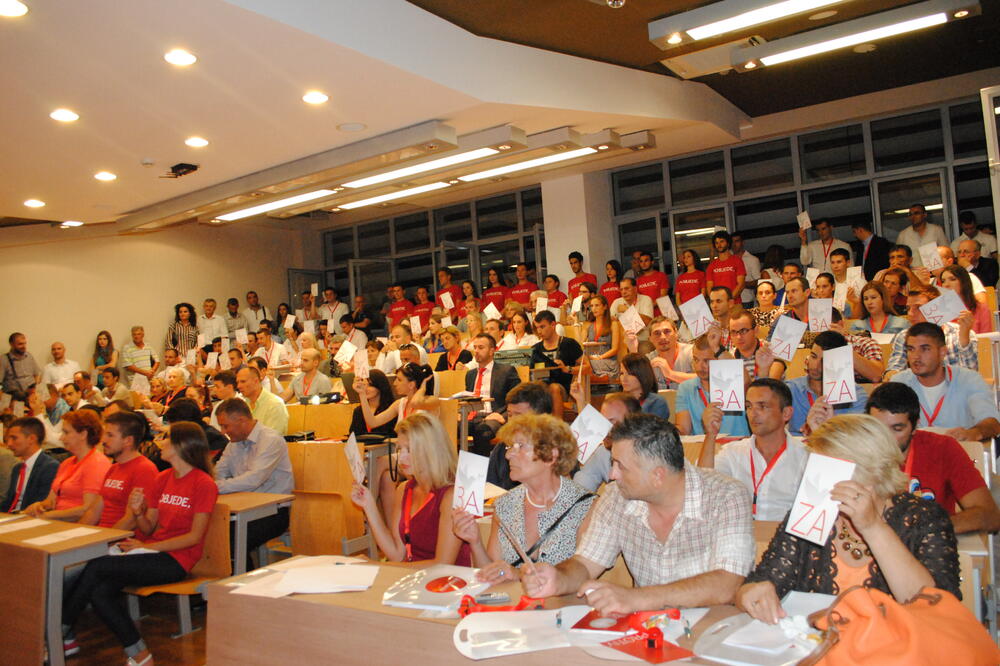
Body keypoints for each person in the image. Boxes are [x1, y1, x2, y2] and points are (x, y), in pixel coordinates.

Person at [737, 414, 960, 625]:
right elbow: (762, 580)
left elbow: (935, 608)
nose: (815, 479)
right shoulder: (811, 512)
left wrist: (873, 527)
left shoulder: (924, 519)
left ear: (871, 473)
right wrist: (750, 593)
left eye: (826, 469)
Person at [521, 414, 754, 614]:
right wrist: (558, 579)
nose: (612, 475)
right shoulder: (616, 496)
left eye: (620, 466)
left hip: (713, 626)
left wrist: (636, 598)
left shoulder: (726, 496)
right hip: (647, 630)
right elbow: (585, 563)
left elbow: (728, 583)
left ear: (658, 476)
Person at [62, 422, 218, 665]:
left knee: (96, 566)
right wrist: (138, 513)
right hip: (151, 551)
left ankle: (60, 629)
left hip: (177, 560)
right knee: (99, 592)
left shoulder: (203, 483)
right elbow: (149, 528)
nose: (160, 442)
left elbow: (194, 537)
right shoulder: (163, 478)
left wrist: (147, 547)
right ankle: (140, 655)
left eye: (166, 438)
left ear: (181, 445)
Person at [452, 414, 596, 581]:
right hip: (510, 598)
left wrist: (517, 575)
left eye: (520, 446)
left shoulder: (585, 506)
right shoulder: (505, 504)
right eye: (510, 446)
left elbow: (581, 577)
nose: (508, 455)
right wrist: (475, 541)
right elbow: (490, 575)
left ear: (551, 455)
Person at [865, 383, 1000, 534]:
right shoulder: (855, 449)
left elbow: (989, 516)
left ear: (915, 427)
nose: (885, 438)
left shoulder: (942, 448)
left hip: (926, 539)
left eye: (897, 429)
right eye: (877, 428)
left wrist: (926, 528)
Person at [351, 412, 471, 565]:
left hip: (446, 577)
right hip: (413, 574)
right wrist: (369, 506)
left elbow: (442, 564)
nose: (401, 457)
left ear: (431, 451)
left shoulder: (451, 495)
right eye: (400, 449)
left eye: (409, 450)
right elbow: (397, 554)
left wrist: (378, 565)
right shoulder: (404, 490)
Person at [699, 379, 808, 521]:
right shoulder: (734, 452)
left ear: (786, 413)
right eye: (749, 406)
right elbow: (703, 488)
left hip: (786, 532)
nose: (753, 414)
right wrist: (710, 435)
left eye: (762, 406)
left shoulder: (805, 455)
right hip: (742, 531)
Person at [214, 398, 293, 566]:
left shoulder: (271, 440)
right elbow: (218, 471)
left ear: (241, 420)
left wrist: (216, 487)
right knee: (212, 533)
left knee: (230, 541)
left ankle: (242, 579)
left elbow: (254, 479)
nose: (223, 431)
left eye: (225, 426)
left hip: (273, 512)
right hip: (241, 506)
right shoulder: (233, 444)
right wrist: (213, 483)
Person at [889, 322, 1000, 440]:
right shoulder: (899, 383)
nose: (916, 356)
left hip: (960, 448)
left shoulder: (969, 379)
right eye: (911, 349)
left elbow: (992, 423)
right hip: (914, 450)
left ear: (942, 352)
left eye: (925, 349)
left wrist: (973, 433)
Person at [23, 411, 111, 521]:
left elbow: (88, 509)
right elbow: (51, 501)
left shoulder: (97, 463)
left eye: (66, 432)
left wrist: (49, 515)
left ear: (83, 434)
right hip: (57, 521)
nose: (61, 438)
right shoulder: (67, 463)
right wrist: (39, 506)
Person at [80, 411, 159, 529]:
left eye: (110, 435)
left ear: (128, 441)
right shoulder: (114, 468)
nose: (103, 440)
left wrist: (103, 538)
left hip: (119, 537)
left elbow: (131, 520)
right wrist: (75, 534)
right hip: (103, 534)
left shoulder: (144, 469)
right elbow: (94, 511)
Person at [883, 286, 977, 380]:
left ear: (936, 308)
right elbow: (895, 367)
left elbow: (970, 375)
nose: (910, 313)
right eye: (908, 308)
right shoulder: (904, 336)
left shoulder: (960, 333)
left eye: (919, 307)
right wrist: (892, 374)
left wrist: (964, 338)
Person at [786, 331, 869, 436]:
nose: (815, 366)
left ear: (838, 362)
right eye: (813, 356)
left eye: (824, 361)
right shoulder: (792, 388)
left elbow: (856, 439)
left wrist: (828, 425)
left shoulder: (857, 396)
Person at [675, 335, 749, 437]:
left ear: (719, 359)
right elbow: (684, 430)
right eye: (696, 360)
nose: (699, 366)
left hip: (738, 444)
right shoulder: (686, 388)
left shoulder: (733, 381)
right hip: (704, 445)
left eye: (707, 361)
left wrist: (718, 349)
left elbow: (746, 380)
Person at [464, 333, 521, 456]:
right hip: (473, 416)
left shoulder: (506, 371)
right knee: (449, 428)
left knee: (482, 432)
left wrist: (504, 416)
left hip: (494, 415)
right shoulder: (470, 374)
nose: (476, 351)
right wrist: (460, 413)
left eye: (481, 347)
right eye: (475, 347)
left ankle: (483, 467)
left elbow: (517, 400)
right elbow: (468, 400)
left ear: (491, 351)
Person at [530, 310, 584, 419]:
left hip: (563, 388)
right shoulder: (535, 349)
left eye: (542, 327)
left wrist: (567, 369)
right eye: (537, 328)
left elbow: (587, 367)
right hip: (540, 386)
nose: (539, 331)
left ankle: (557, 426)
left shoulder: (569, 344)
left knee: (553, 388)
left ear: (553, 324)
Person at [355, 362, 437, 431]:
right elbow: (372, 422)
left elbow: (415, 403)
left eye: (399, 380)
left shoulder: (432, 400)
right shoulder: (399, 404)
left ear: (411, 384)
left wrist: (422, 389)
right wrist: (362, 394)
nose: (394, 383)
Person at [3, 417, 59, 512]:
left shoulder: (49, 467)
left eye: (14, 438)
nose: (9, 444)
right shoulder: (17, 468)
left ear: (31, 439)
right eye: (8, 439)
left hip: (29, 516)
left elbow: (41, 504)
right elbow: (8, 502)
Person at [729, 307, 785, 380]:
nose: (738, 337)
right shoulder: (730, 356)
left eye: (743, 331)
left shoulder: (771, 350)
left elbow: (772, 383)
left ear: (756, 330)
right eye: (733, 332)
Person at [641, 317, 694, 390]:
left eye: (667, 331)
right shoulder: (649, 359)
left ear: (676, 333)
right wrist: (633, 349)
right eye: (657, 333)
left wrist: (670, 374)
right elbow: (636, 382)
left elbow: (705, 379)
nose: (662, 337)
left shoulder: (692, 352)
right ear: (650, 338)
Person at [235, 366, 289, 435]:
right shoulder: (243, 405)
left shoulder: (275, 404)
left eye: (243, 381)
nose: (238, 386)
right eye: (237, 382)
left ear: (256, 381)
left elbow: (272, 438)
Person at [940, 264, 993, 333]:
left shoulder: (981, 308)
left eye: (952, 279)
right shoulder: (939, 310)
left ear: (964, 282)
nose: (946, 285)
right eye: (943, 281)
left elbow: (986, 337)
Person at [349, 369, 397, 438]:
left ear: (380, 385)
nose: (365, 388)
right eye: (364, 385)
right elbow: (353, 435)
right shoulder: (358, 411)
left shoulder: (391, 408)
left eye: (370, 385)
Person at [581, 294, 621, 375]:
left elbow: (615, 349)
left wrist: (599, 357)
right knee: (580, 362)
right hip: (591, 359)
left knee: (584, 365)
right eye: (592, 306)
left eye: (597, 305)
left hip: (608, 361)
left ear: (605, 307)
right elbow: (580, 345)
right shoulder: (588, 325)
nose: (594, 308)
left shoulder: (613, 324)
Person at [620, 353, 670, 418]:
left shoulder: (657, 402)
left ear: (642, 374)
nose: (624, 379)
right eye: (621, 373)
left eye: (630, 374)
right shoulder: (618, 401)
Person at [1, 332, 41, 401]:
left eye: (25, 343)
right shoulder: (3, 359)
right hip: (15, 398)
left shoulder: (29, 356)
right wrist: (3, 400)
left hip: (32, 395)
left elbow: (37, 374)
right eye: (20, 344)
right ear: (11, 344)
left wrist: (35, 387)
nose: (24, 346)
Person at [706, 230, 747, 297]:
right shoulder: (712, 265)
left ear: (728, 243)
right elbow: (709, 287)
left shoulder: (737, 261)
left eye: (722, 241)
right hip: (718, 302)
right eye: (716, 243)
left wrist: (729, 299)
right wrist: (715, 300)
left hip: (734, 301)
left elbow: (741, 284)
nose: (719, 245)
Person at [120, 326, 160, 390]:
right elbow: (128, 366)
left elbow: (157, 361)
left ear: (143, 335)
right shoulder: (127, 348)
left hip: (149, 379)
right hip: (135, 381)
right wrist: (145, 373)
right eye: (134, 334)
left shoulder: (148, 346)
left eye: (138, 334)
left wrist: (152, 372)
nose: (136, 336)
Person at [731, 232, 760, 306]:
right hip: (731, 300)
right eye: (732, 242)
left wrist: (741, 284)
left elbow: (758, 281)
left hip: (746, 300)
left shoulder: (752, 259)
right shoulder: (728, 259)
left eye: (737, 241)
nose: (734, 244)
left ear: (743, 242)